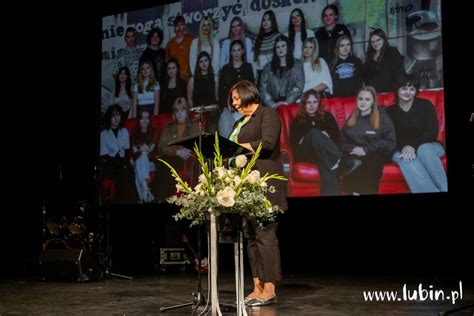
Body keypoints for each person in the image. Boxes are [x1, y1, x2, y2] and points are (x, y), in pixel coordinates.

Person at [228, 80, 287, 307]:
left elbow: (268, 143)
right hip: (244, 184)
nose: (234, 103)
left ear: (247, 93)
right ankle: (257, 287)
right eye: (232, 100)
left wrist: (238, 148)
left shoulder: (267, 114)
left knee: (265, 235)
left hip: (265, 183)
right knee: (250, 236)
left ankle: (270, 289)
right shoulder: (240, 123)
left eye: (236, 98)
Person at [387, 76, 447, 193]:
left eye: (412, 89)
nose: (408, 92)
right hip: (400, 148)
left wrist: (412, 146)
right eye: (404, 88)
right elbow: (390, 137)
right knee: (405, 158)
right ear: (397, 90)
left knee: (424, 150)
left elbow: (432, 132)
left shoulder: (425, 105)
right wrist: (405, 147)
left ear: (416, 91)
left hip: (429, 145)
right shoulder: (390, 111)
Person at [340, 86, 396, 195]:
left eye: (367, 99)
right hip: (355, 154)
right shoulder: (352, 118)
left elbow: (390, 142)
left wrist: (366, 149)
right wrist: (353, 148)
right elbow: (341, 142)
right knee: (353, 162)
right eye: (360, 99)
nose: (363, 102)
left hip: (375, 154)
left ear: (373, 101)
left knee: (371, 161)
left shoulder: (382, 117)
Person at [289, 90, 341, 196]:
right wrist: (316, 136)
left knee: (328, 167)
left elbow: (337, 138)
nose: (312, 105)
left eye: (314, 102)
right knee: (313, 133)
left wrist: (325, 138)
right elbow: (293, 143)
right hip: (306, 154)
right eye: (308, 102)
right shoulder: (298, 120)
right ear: (304, 104)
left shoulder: (328, 117)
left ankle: (334, 161)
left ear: (319, 103)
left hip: (324, 155)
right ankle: (340, 159)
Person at [154, 97, 199, 201]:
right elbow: (161, 147)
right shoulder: (168, 127)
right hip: (171, 158)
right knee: (163, 163)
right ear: (174, 113)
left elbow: (198, 145)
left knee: (168, 165)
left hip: (187, 159)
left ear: (186, 111)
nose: (180, 114)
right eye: (177, 111)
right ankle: (163, 198)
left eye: (182, 110)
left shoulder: (194, 126)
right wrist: (176, 151)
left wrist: (187, 151)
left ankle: (167, 197)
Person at [218, 40, 255, 137]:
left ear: (243, 51)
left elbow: (252, 89)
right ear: (230, 52)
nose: (236, 53)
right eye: (233, 50)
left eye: (239, 50)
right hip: (230, 110)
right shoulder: (225, 69)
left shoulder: (248, 67)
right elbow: (221, 91)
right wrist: (225, 107)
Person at [100, 105, 135, 203]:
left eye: (118, 115)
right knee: (121, 172)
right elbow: (104, 156)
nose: (116, 118)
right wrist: (120, 163)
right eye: (113, 116)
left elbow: (127, 152)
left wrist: (124, 163)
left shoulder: (124, 131)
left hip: (123, 162)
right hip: (110, 163)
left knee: (127, 171)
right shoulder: (103, 134)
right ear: (109, 118)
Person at [259, 35, 304, 108]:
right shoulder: (267, 67)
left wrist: (286, 102)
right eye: (278, 47)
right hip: (272, 106)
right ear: (275, 50)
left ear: (288, 47)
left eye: (283, 46)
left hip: (291, 104)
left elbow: (299, 86)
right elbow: (263, 88)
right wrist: (272, 104)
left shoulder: (297, 64)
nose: (280, 49)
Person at [363, 28, 406, 93]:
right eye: (372, 42)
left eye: (378, 40)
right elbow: (366, 77)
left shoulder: (392, 52)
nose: (375, 43)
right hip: (374, 94)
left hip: (390, 93)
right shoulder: (369, 56)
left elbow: (399, 73)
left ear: (384, 39)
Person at [131, 109, 159, 203]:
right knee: (141, 158)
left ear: (149, 120)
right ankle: (147, 194)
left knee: (140, 163)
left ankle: (144, 196)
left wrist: (141, 151)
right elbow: (134, 153)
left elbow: (150, 151)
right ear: (138, 120)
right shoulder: (134, 134)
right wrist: (143, 151)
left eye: (147, 118)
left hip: (151, 164)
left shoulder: (154, 132)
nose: (144, 120)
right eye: (142, 118)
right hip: (138, 163)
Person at [187, 51, 219, 133]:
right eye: (201, 61)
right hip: (198, 114)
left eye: (206, 60)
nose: (204, 63)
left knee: (211, 139)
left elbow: (216, 97)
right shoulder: (192, 80)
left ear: (209, 62)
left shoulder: (215, 78)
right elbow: (189, 99)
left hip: (212, 114)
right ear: (198, 64)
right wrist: (195, 113)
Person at [253, 10, 281, 82]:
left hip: (274, 72)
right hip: (261, 74)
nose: (265, 22)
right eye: (264, 20)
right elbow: (255, 61)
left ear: (273, 21)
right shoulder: (257, 39)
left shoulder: (278, 37)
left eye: (269, 20)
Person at [165, 15, 194, 81]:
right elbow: (167, 62)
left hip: (189, 78)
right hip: (175, 79)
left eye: (181, 24)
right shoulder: (170, 44)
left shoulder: (190, 39)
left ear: (184, 26)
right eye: (176, 25)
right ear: (174, 28)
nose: (179, 27)